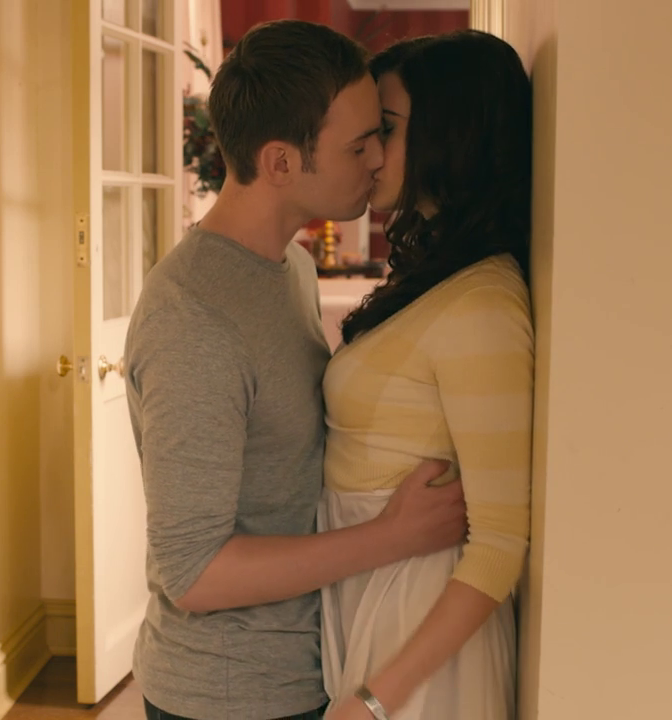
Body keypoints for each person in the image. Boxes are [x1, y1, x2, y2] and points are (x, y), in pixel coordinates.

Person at [123, 19, 471, 720]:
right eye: (358, 144)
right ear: (281, 162)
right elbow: (194, 574)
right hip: (228, 697)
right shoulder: (194, 318)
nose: (379, 158)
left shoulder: (293, 267)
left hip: (308, 669)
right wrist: (393, 536)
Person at [318, 30, 535, 720]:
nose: (370, 152)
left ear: (453, 133)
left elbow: (499, 545)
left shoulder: (483, 304)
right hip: (381, 600)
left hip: (419, 633)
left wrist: (375, 700)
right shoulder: (441, 279)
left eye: (386, 128)